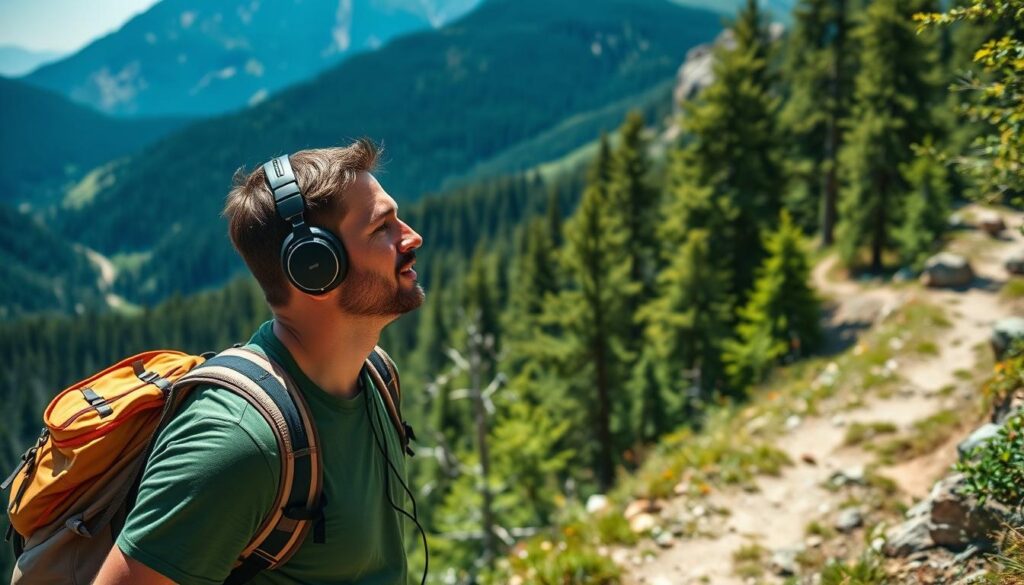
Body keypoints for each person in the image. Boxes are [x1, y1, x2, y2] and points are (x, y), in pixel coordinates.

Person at [93, 139, 424, 584]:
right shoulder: (236, 443)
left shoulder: (377, 377)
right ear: (315, 266)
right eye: (382, 228)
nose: (411, 236)